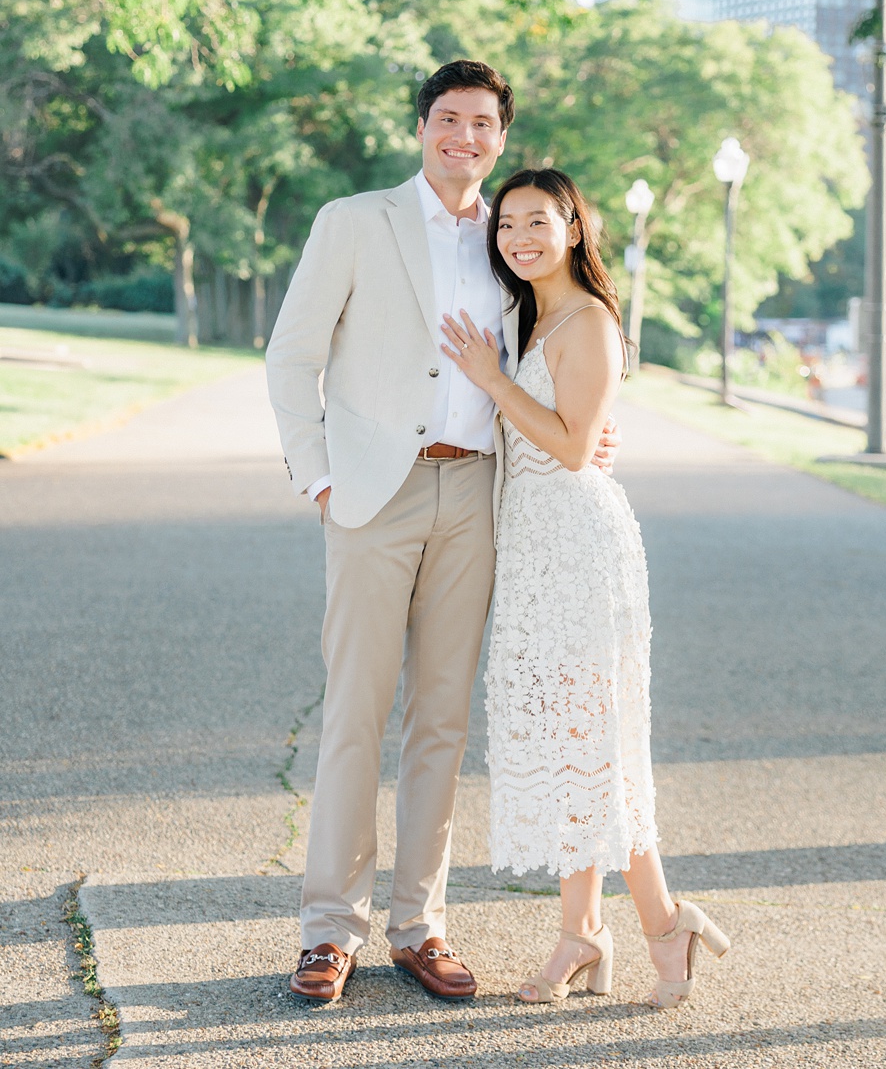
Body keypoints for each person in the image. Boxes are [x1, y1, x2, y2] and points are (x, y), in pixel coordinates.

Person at [264, 62, 618, 1005]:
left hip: (477, 496)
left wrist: (592, 427)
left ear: (502, 137)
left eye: (483, 123)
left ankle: (420, 928)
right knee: (356, 710)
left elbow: (559, 349)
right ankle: (329, 930)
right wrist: (319, 476)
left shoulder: (512, 239)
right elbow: (291, 356)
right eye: (449, 119)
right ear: (422, 126)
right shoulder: (354, 220)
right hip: (371, 496)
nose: (466, 137)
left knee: (443, 721)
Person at [440, 167, 730, 1010]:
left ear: (574, 227)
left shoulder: (592, 321)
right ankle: (587, 931)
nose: (519, 238)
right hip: (535, 553)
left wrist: (492, 380)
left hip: (579, 553)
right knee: (573, 748)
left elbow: (572, 449)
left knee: (596, 748)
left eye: (537, 221)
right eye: (506, 225)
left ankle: (658, 922)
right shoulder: (530, 319)